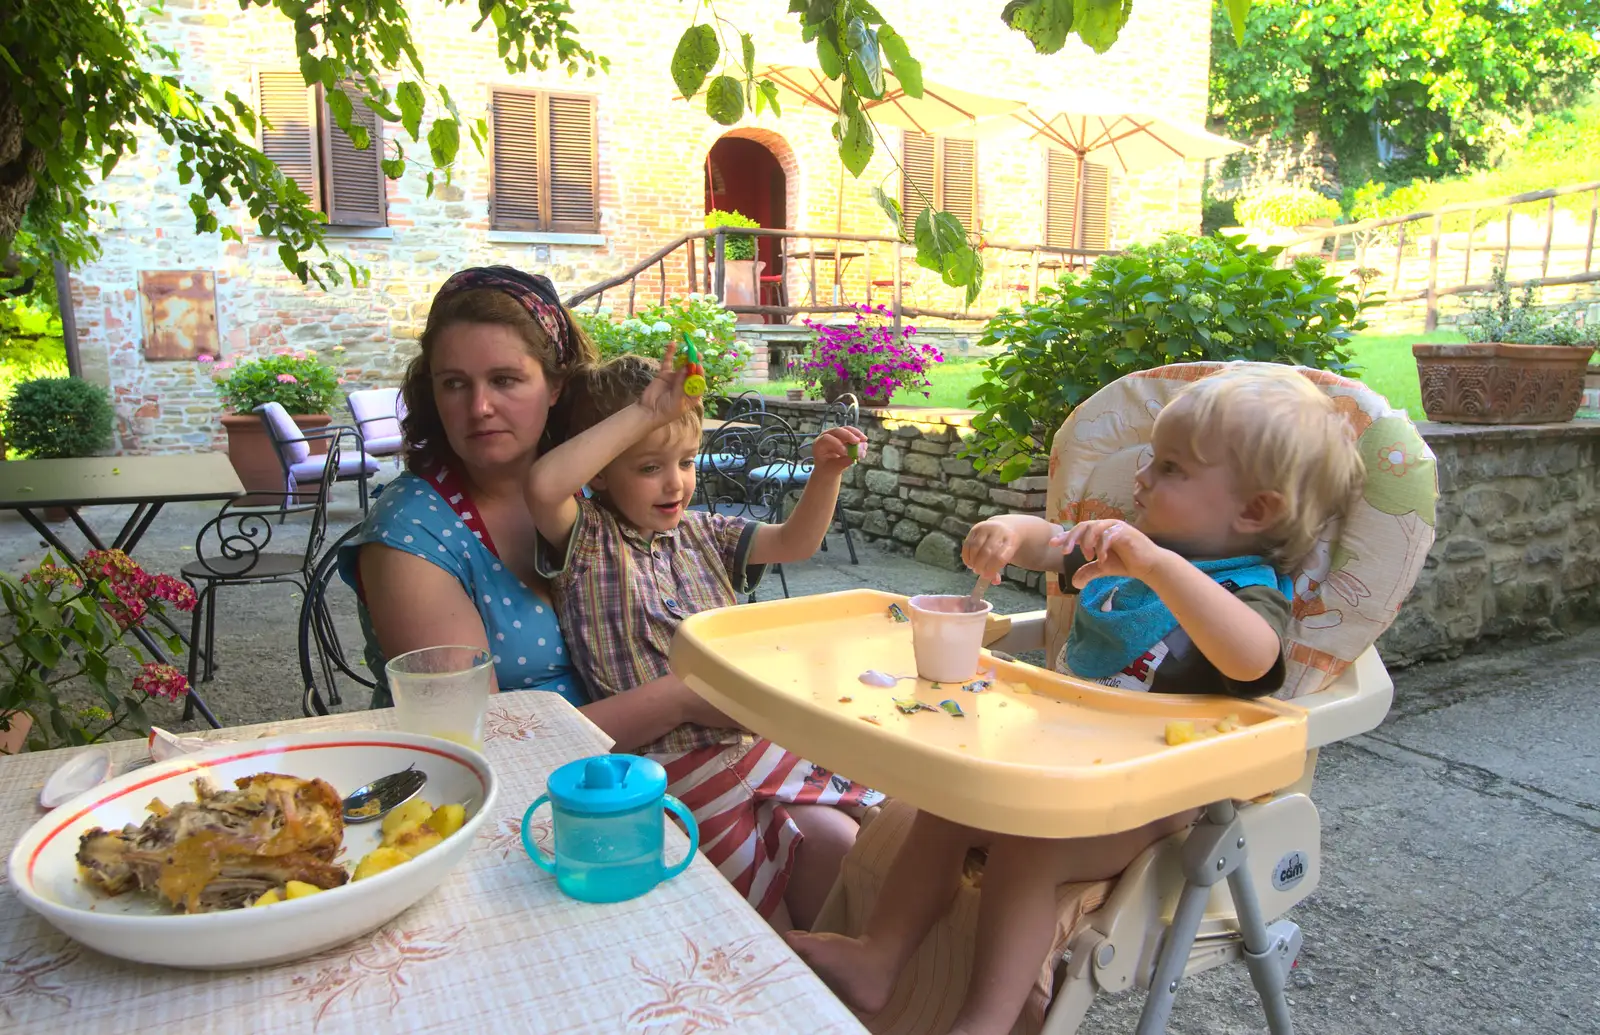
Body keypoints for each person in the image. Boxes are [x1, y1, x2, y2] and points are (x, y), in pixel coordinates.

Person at [786, 366, 1366, 1035]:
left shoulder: (1245, 588)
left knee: (1031, 850)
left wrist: (1157, 567)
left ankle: (984, 1020)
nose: (1143, 477)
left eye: (1172, 468)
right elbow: (1050, 542)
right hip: (1055, 762)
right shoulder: (1123, 546)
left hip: (1152, 797)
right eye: (1152, 457)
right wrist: (1009, 528)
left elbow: (1255, 659)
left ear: (1254, 510)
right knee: (946, 803)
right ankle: (878, 959)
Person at [522, 348, 883, 930]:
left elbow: (795, 541)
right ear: (600, 472)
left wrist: (826, 474)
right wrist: (646, 412)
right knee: (754, 911)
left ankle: (850, 985)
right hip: (673, 766)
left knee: (841, 851)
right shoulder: (588, 539)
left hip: (758, 739)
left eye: (687, 462)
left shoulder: (705, 532)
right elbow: (543, 485)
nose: (675, 484)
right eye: (648, 468)